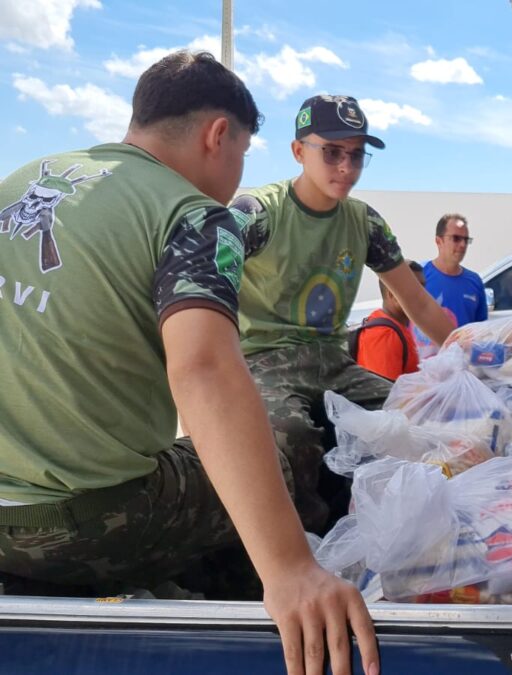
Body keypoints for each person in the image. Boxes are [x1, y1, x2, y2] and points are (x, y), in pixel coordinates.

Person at [0, 52, 377, 675]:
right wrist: (288, 568)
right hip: (78, 524)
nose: (238, 171)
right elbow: (203, 372)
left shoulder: (26, 178)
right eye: (244, 151)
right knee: (278, 455)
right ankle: (280, 600)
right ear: (218, 135)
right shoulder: (196, 217)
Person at [230, 94, 453, 536]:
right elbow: (202, 289)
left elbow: (419, 302)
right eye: (331, 152)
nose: (345, 167)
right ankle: (303, 550)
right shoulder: (256, 213)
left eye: (355, 155)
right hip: (264, 361)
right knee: (287, 437)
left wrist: (476, 353)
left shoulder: (364, 222)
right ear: (298, 152)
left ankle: (406, 534)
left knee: (417, 415)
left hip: (333, 361)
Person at [354, 260, 425, 381]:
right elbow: (385, 396)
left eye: (423, 287)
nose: (424, 295)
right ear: (392, 293)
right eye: (415, 288)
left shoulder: (399, 327)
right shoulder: (384, 334)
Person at [424, 213, 487, 327]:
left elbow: (480, 331)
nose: (463, 245)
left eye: (466, 239)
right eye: (456, 238)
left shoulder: (475, 281)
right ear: (439, 241)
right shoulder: (419, 278)